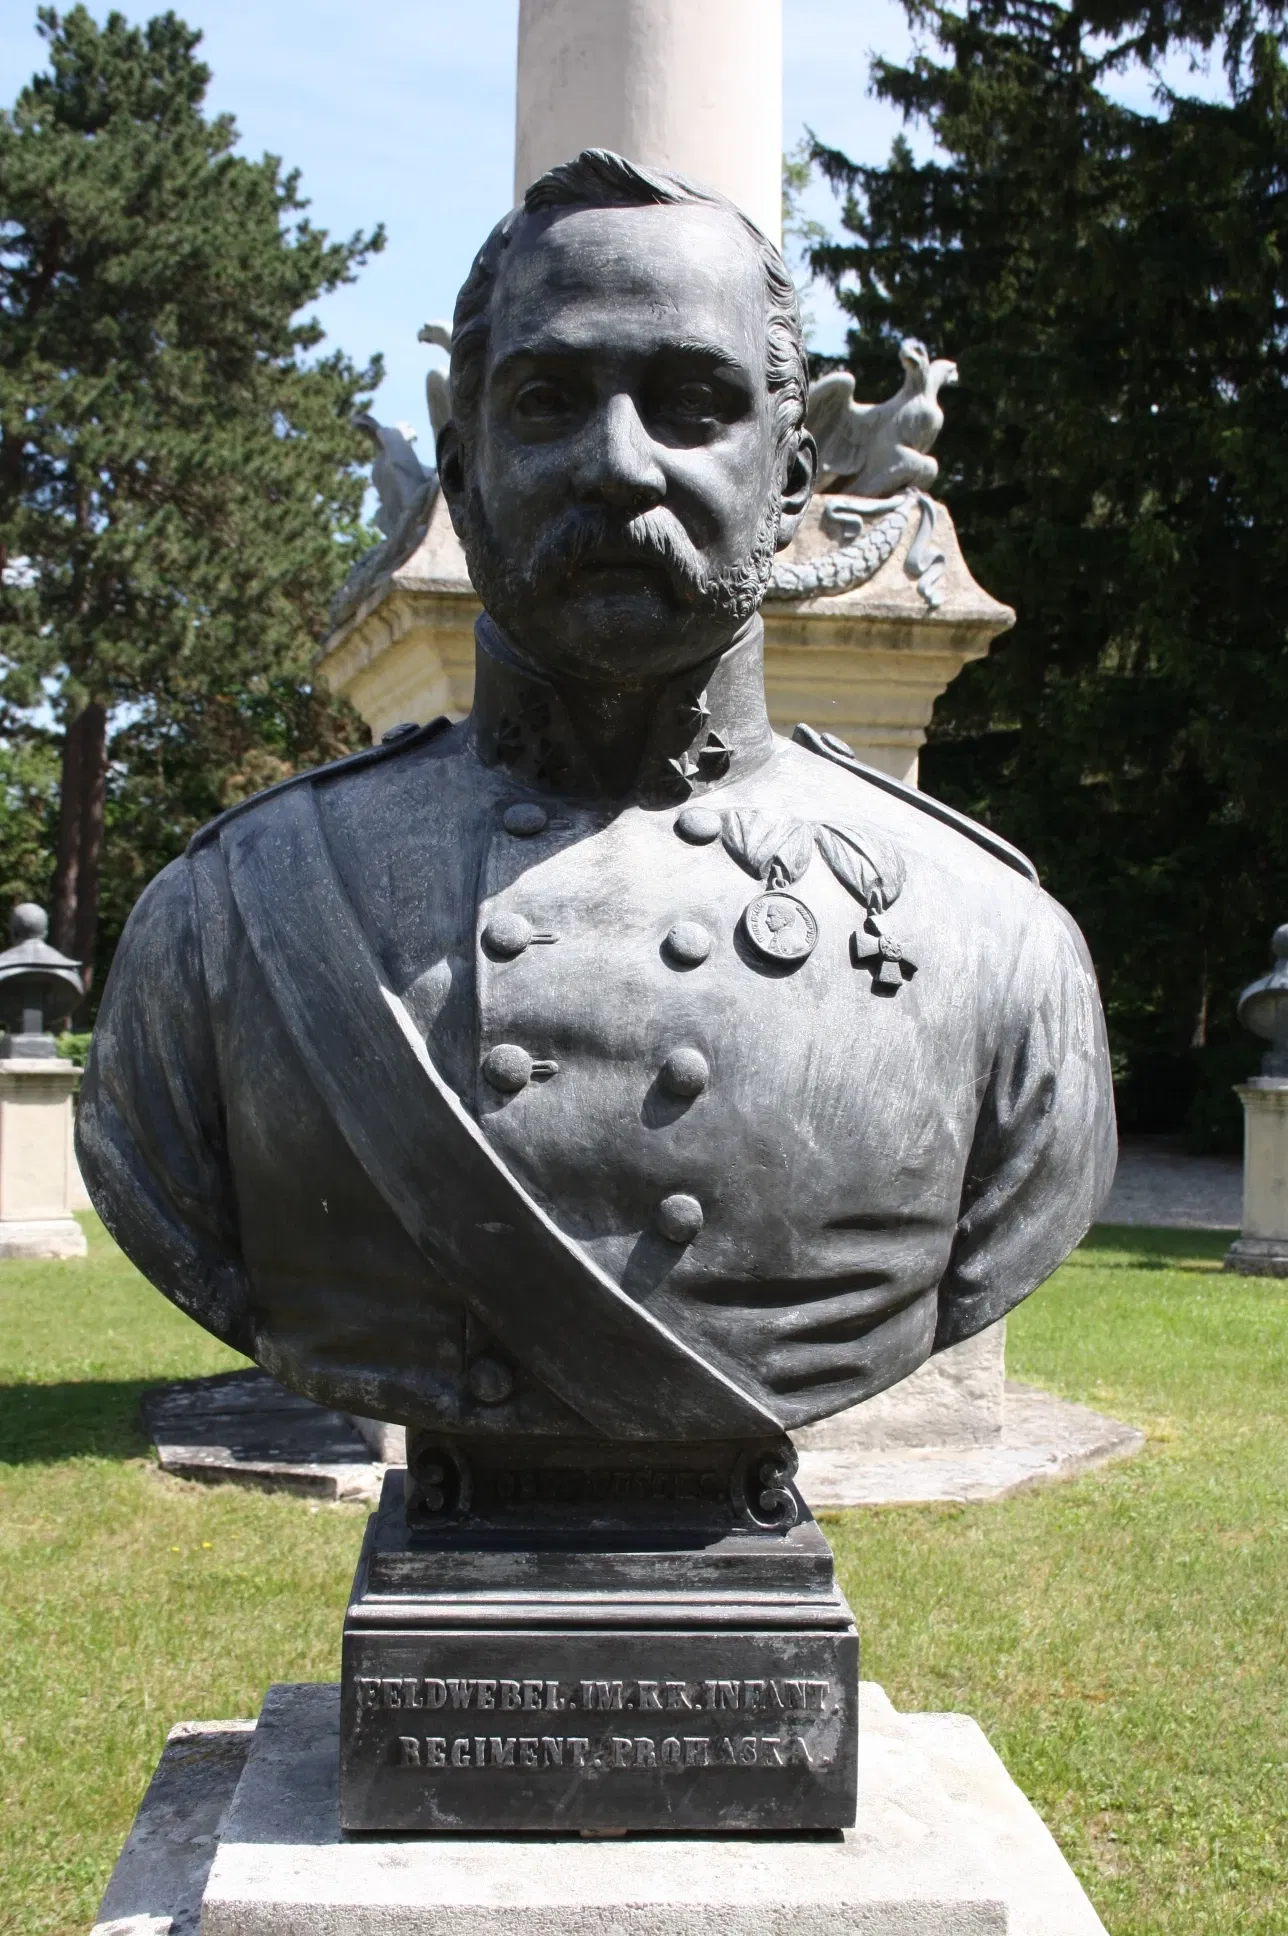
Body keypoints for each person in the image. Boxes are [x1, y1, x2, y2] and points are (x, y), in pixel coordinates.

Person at [77, 151, 1115, 1447]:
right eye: (549, 401)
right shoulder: (222, 926)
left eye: (690, 403)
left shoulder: (999, 948)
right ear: (461, 476)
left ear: (792, 482)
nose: (616, 465)